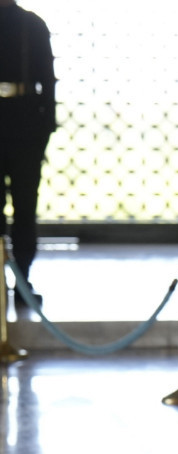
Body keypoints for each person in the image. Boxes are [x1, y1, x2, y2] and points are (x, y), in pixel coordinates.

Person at [0, 0, 56, 310]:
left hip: (24, 127)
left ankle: (22, 282)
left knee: (24, 209)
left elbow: (47, 81)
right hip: (22, 126)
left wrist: (44, 128)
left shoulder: (31, 24)